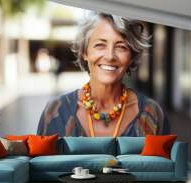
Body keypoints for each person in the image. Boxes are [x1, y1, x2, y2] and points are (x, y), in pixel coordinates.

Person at [37, 13, 169, 137]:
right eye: (100, 45)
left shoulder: (152, 114)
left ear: (131, 56)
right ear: (85, 52)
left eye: (121, 47)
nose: (110, 56)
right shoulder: (55, 113)